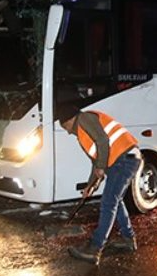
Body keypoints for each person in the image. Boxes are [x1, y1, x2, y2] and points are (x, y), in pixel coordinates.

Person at [56, 102, 142, 265]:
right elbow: (96, 163)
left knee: (109, 202)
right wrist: (91, 185)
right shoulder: (83, 134)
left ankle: (94, 248)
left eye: (65, 127)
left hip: (124, 159)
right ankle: (128, 239)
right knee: (116, 201)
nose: (67, 132)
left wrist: (102, 168)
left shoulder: (84, 118)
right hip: (124, 159)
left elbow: (102, 140)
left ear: (69, 120)